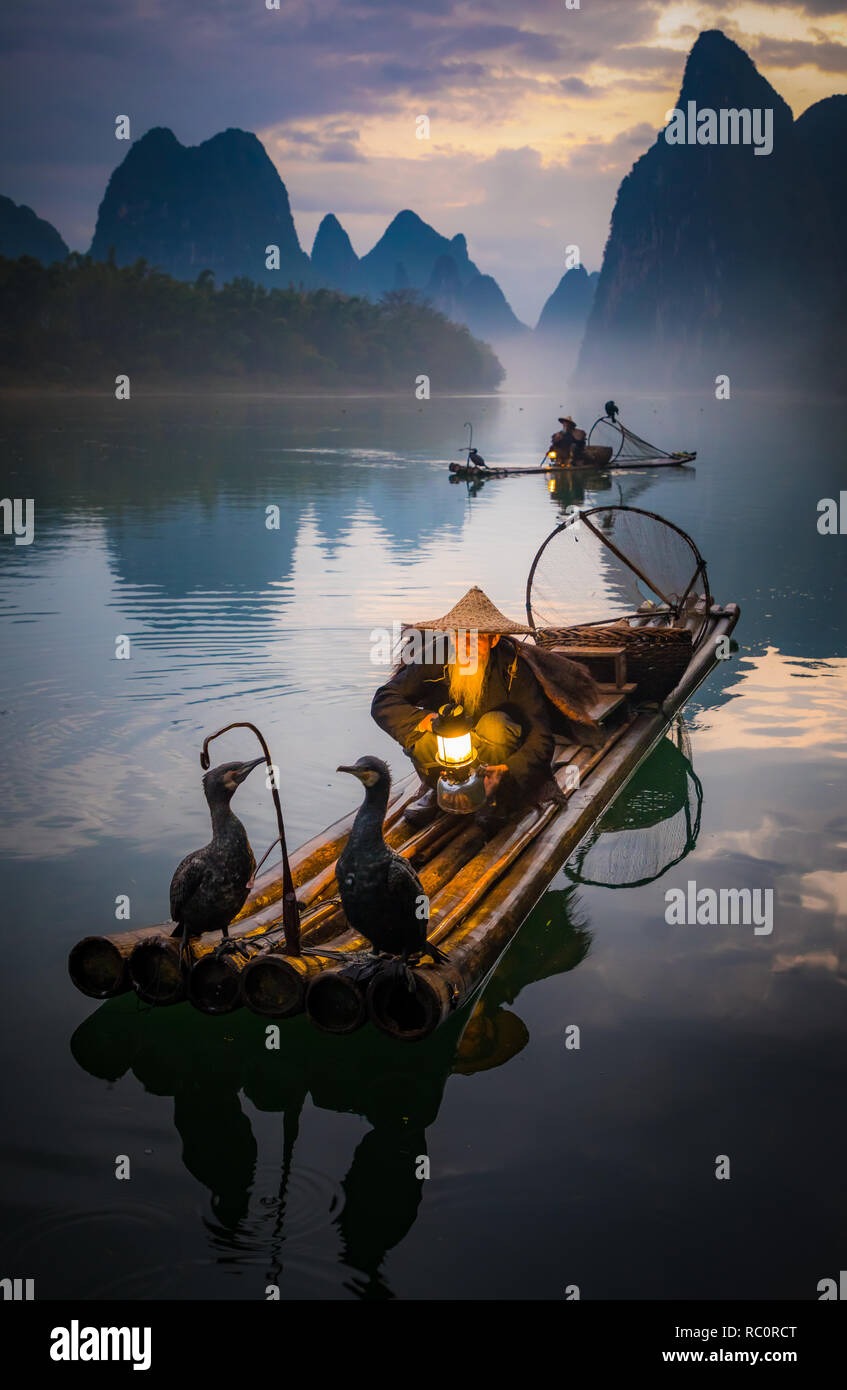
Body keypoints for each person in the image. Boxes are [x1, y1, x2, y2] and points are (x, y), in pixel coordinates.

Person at [371, 587, 601, 830]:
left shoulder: (514, 667)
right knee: (421, 735)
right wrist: (426, 720)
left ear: (492, 639)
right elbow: (384, 699)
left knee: (495, 725)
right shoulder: (437, 654)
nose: (464, 646)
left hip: (493, 756)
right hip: (446, 756)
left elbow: (540, 737)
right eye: (459, 636)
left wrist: (507, 769)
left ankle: (495, 795)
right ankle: (436, 788)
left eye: (475, 638)